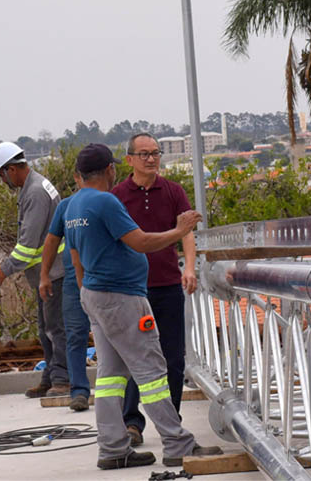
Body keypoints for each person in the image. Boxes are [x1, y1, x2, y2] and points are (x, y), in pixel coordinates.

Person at [64, 143, 221, 470]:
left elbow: (75, 256)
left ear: (80, 173)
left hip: (94, 294)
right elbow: (140, 242)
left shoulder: (73, 205)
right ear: (111, 169)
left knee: (110, 374)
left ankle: (112, 447)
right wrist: (179, 231)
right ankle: (177, 443)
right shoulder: (105, 201)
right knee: (151, 371)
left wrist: (85, 291)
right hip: (122, 297)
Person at [110, 133, 197, 447]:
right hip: (132, 292)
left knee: (173, 359)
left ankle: (170, 420)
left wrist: (188, 267)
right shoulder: (117, 196)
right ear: (129, 159)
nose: (151, 159)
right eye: (143, 154)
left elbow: (186, 232)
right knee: (135, 360)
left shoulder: (173, 191)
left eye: (155, 153)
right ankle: (132, 423)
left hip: (168, 287)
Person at [0, 141, 69, 398]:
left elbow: (28, 244)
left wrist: (4, 269)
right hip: (48, 273)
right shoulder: (36, 185)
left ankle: (62, 380)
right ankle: (50, 377)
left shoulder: (34, 192)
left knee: (56, 329)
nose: (3, 182)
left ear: (10, 170)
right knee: (46, 329)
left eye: (2, 176)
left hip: (54, 273)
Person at [39, 171, 92, 412]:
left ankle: (121, 388)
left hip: (104, 277)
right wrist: (44, 275)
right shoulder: (67, 207)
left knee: (113, 334)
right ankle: (79, 391)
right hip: (72, 280)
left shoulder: (108, 202)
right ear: (77, 178)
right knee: (75, 334)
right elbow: (51, 241)